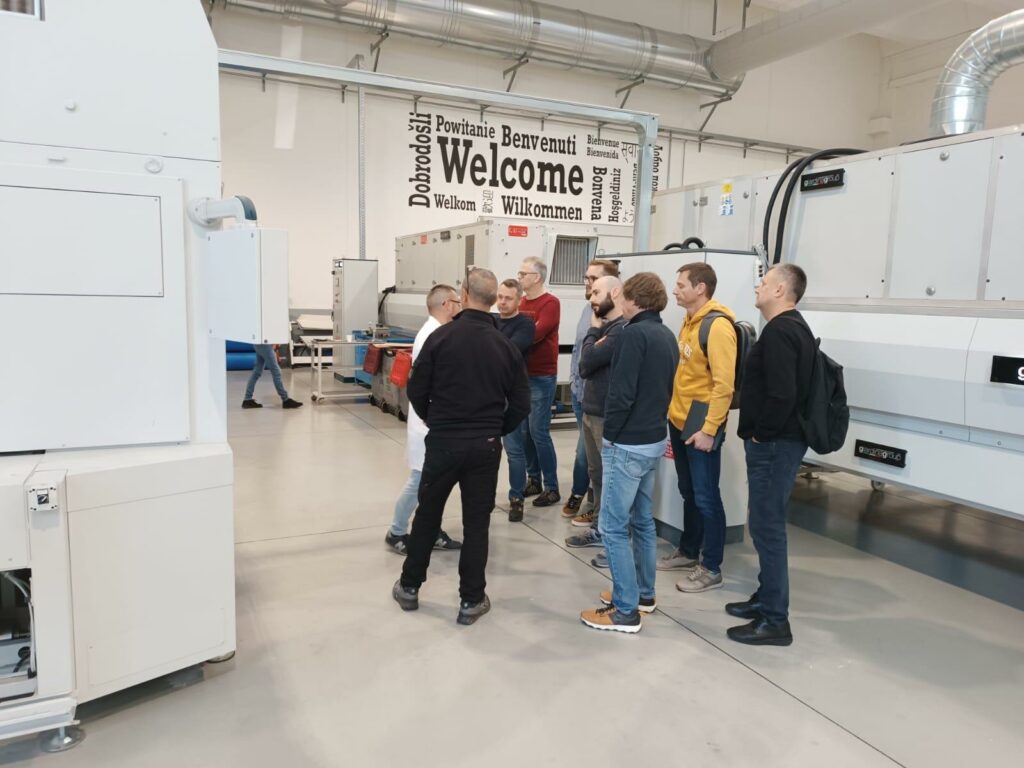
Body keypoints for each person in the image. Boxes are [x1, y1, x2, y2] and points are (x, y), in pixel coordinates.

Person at [392, 269, 531, 626]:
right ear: (493, 300)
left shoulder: (440, 338)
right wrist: (495, 429)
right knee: (477, 524)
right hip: (485, 446)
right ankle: (471, 600)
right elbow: (521, 403)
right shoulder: (505, 347)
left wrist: (437, 421)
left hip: (444, 442)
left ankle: (409, 587)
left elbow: (416, 390)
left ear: (465, 294)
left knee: (427, 515)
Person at [580, 273, 678, 634]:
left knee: (612, 526)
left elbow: (621, 393)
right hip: (652, 439)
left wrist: (611, 438)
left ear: (633, 299)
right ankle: (642, 595)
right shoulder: (666, 334)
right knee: (642, 521)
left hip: (627, 443)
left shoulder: (633, 335)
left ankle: (625, 610)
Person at [726, 264, 814, 647]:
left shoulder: (780, 331)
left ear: (780, 290)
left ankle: (775, 620)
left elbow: (783, 394)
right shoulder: (792, 327)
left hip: (775, 444)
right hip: (781, 443)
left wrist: (761, 435)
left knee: (767, 527)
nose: (757, 287)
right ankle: (765, 598)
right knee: (764, 523)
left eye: (763, 283)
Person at [659, 263, 738, 594]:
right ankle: (689, 551)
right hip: (679, 421)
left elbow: (724, 386)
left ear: (700, 288)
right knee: (689, 492)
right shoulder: (688, 321)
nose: (675, 290)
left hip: (701, 427)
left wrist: (709, 430)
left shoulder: (717, 327)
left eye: (681, 285)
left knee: (707, 497)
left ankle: (711, 567)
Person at [385, 284, 465, 555]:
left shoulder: (435, 331)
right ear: (446, 304)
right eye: (457, 301)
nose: (460, 306)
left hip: (432, 420)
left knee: (434, 483)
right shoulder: (433, 334)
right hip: (427, 422)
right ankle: (396, 531)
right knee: (419, 480)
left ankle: (431, 530)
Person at [564, 275, 626, 555]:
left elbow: (586, 361)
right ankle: (599, 526)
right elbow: (585, 365)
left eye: (597, 291)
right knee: (596, 473)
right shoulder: (607, 329)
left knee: (608, 476)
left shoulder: (618, 330)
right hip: (591, 411)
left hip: (605, 415)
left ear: (616, 292)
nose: (592, 298)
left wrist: (592, 330)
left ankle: (607, 531)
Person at [516, 257, 561, 507]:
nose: (520, 277)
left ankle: (552, 487)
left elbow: (535, 333)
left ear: (537, 278)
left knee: (538, 432)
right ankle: (533, 479)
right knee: (524, 433)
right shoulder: (522, 303)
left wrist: (515, 334)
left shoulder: (550, 303)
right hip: (522, 375)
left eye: (523, 274)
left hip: (541, 376)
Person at [496, 278, 536, 522]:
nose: (502, 302)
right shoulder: (491, 321)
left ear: (519, 300)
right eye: (500, 297)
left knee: (514, 451)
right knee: (487, 450)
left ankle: (516, 498)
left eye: (508, 298)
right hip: (489, 395)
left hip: (511, 397)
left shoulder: (525, 325)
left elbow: (508, 351)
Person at [241, 344, 303, 409]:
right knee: (276, 372)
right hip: (265, 345)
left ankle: (247, 399)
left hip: (258, 345)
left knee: (256, 372)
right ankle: (286, 400)